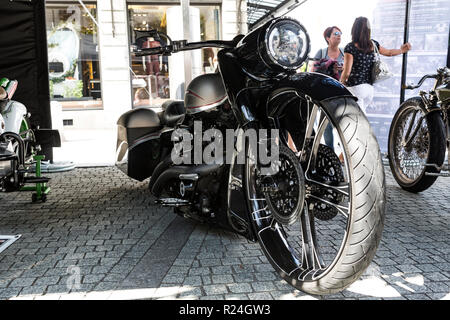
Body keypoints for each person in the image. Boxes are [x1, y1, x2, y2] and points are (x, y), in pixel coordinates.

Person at [340, 17, 411, 113]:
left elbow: (346, 72)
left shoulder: (350, 47)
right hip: (369, 90)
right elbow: (389, 52)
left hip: (355, 89)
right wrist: (402, 50)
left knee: (358, 118)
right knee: (359, 116)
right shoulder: (373, 44)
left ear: (354, 30)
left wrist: (341, 84)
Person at [308, 26, 344, 148]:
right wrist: (328, 67)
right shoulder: (321, 52)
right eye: (336, 34)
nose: (339, 35)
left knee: (342, 123)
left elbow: (352, 71)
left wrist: (343, 70)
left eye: (340, 33)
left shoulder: (345, 53)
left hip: (341, 92)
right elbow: (313, 71)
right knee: (326, 124)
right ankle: (330, 152)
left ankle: (342, 152)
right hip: (325, 93)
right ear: (328, 38)